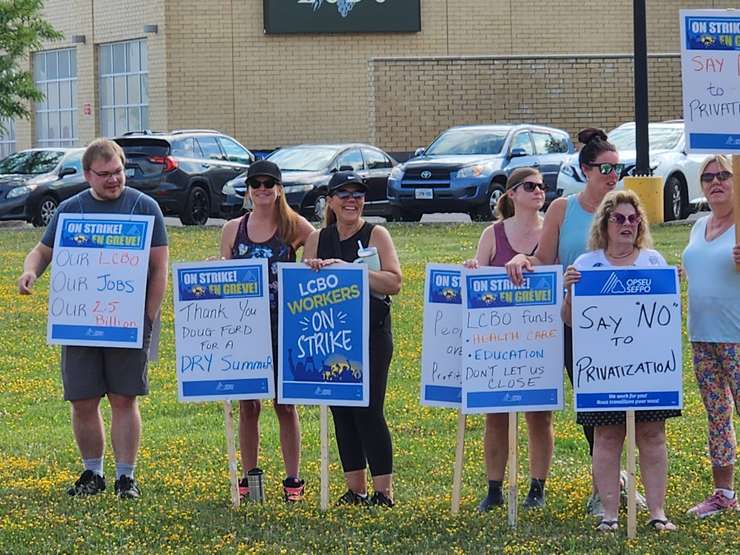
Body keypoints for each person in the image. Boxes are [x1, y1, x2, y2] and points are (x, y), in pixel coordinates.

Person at [17, 138, 169, 499]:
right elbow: (42, 251)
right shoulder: (71, 210)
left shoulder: (144, 208)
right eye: (104, 175)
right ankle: (92, 473)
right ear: (87, 175)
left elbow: (160, 266)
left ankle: (125, 477)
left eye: (118, 171)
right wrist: (30, 273)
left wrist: (148, 317)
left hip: (129, 323)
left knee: (123, 398)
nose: (114, 180)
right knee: (83, 400)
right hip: (79, 321)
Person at [505, 128, 645, 515]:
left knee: (623, 406)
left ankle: (619, 484)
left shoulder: (627, 208)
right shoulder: (564, 209)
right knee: (593, 409)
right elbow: (544, 258)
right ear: (586, 169)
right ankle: (607, 487)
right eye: (605, 168)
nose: (613, 175)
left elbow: (643, 258)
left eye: (618, 168)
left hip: (622, 329)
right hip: (573, 324)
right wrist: (522, 259)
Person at [562, 190, 680, 532]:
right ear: (605, 223)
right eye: (619, 218)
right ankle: (610, 515)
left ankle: (657, 512)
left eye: (633, 218)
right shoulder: (586, 266)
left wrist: (673, 288)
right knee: (607, 437)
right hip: (604, 374)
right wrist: (569, 292)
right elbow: (569, 321)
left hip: (648, 371)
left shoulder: (653, 262)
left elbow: (666, 319)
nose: (627, 224)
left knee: (653, 436)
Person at [303, 171, 402, 507]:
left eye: (357, 194)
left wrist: (352, 270)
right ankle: (355, 489)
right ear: (329, 200)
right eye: (343, 194)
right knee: (341, 409)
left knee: (369, 410)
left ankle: (383, 491)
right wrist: (313, 268)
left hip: (371, 334)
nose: (351, 200)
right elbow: (305, 287)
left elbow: (394, 282)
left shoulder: (376, 233)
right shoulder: (318, 237)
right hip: (333, 336)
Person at [219, 160, 315, 502]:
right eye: (256, 183)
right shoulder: (234, 229)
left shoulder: (294, 227)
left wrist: (312, 264)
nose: (262, 188)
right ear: (248, 188)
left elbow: (313, 257)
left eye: (268, 183)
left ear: (279, 189)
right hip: (245, 328)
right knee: (249, 406)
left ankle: (293, 480)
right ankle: (250, 478)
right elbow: (225, 277)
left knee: (285, 405)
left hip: (282, 326)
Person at [464, 167, 553, 511]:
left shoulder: (549, 232)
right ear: (512, 194)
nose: (538, 191)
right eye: (530, 186)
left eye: (542, 186)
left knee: (539, 415)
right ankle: (494, 489)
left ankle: (537, 488)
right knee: (495, 415)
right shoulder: (493, 233)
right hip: (496, 343)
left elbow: (553, 269)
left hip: (539, 337)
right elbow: (478, 273)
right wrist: (472, 268)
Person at [682, 155, 740, 518]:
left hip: (737, 338)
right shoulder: (698, 226)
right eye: (707, 178)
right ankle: (724, 493)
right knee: (717, 417)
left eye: (724, 175)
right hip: (702, 338)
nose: (715, 182)